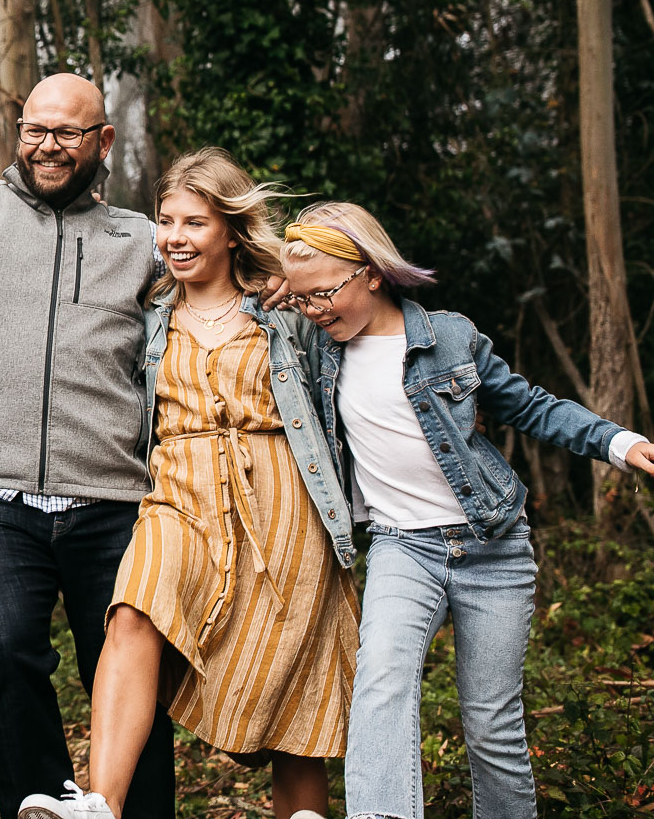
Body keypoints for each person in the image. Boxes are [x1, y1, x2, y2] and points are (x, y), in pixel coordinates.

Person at [280, 202, 654, 819]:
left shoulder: (448, 336)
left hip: (493, 546)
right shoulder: (318, 347)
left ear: (372, 273)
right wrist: (280, 284)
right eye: (304, 300)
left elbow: (530, 405)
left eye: (325, 295)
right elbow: (240, 278)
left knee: (490, 722)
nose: (316, 311)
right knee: (380, 685)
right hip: (404, 548)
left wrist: (619, 442)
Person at [19, 149, 357, 819]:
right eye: (166, 220)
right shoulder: (145, 309)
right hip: (177, 493)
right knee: (134, 610)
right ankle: (100, 804)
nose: (174, 236)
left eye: (194, 223)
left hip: (284, 504)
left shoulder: (284, 313)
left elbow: (365, 334)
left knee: (297, 710)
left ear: (230, 230)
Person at [0, 73, 174, 819]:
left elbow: (227, 281)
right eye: (35, 129)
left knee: (128, 676)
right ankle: (40, 808)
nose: (47, 146)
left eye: (67, 133)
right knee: (5, 652)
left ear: (102, 141)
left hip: (111, 498)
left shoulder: (143, 241)